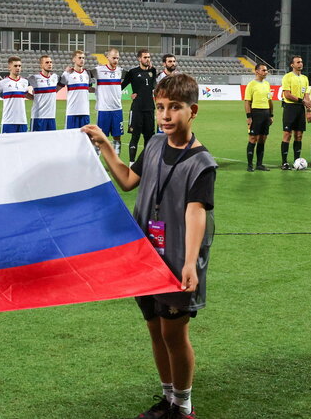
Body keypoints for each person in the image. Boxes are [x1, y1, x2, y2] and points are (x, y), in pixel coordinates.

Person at [81, 73, 215, 419]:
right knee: (155, 330)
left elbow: (196, 214)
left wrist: (189, 263)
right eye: (160, 108)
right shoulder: (154, 144)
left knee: (174, 334)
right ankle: (168, 398)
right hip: (145, 258)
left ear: (192, 111)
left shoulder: (201, 163)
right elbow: (128, 181)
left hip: (175, 263)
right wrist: (105, 147)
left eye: (175, 108)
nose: (166, 115)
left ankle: (183, 406)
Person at [123, 49, 158, 163]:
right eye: (145, 57)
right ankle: (131, 163)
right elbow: (120, 87)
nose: (147, 59)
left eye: (148, 57)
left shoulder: (153, 71)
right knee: (135, 137)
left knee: (149, 138)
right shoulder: (132, 72)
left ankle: (147, 163)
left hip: (149, 109)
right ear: (139, 59)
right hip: (137, 109)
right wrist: (130, 95)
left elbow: (153, 86)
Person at [279, 55, 311, 170]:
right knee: (287, 134)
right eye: (298, 62)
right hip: (290, 108)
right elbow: (287, 94)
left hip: (300, 109)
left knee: (299, 135)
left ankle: (297, 162)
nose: (300, 64)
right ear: (292, 65)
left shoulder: (305, 78)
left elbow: (307, 95)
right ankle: (284, 162)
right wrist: (302, 101)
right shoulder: (287, 77)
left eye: (301, 62)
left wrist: (309, 111)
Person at [243, 63, 273, 171]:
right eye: (263, 70)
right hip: (256, 114)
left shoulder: (267, 84)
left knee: (262, 139)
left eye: (266, 70)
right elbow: (247, 102)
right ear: (257, 71)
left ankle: (259, 164)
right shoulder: (251, 85)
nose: (266, 72)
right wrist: (249, 116)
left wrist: (271, 115)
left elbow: (270, 100)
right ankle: (250, 165)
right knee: (253, 138)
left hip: (266, 113)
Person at [0, 56, 32, 133]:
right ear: (9, 67)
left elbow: (26, 95)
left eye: (19, 66)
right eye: (15, 66)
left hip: (22, 121)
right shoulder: (2, 83)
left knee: (23, 145)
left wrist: (38, 98)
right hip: (8, 121)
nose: (18, 68)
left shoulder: (24, 82)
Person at [95, 48, 125, 153]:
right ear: (107, 57)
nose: (116, 60)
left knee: (117, 137)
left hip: (117, 109)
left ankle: (116, 162)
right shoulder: (98, 70)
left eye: (117, 58)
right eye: (113, 58)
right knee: (100, 137)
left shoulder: (121, 71)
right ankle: (97, 161)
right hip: (103, 110)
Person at [60, 50, 94, 129]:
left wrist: (100, 90)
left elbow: (88, 89)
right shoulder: (68, 74)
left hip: (85, 112)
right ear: (74, 59)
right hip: (72, 112)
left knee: (85, 137)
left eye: (83, 58)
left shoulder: (87, 73)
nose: (82, 60)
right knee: (70, 138)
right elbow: (56, 89)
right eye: (79, 58)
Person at [28, 55, 60, 132]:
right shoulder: (34, 78)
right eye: (47, 62)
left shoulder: (55, 77)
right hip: (38, 117)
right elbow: (20, 88)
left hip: (51, 117)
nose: (49, 64)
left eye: (51, 62)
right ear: (41, 65)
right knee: (36, 141)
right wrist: (33, 97)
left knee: (51, 142)